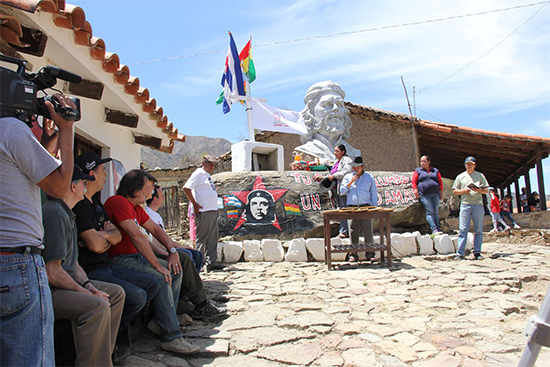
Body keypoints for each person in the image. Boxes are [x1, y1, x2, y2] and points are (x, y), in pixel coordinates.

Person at [0, 95, 76, 366]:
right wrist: (67, 129)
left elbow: (21, 174)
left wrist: (45, 142)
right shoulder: (10, 129)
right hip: (15, 263)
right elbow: (58, 187)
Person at [103, 170, 200, 355]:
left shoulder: (136, 207)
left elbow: (155, 229)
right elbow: (137, 236)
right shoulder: (118, 202)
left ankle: (160, 321)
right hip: (120, 260)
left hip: (135, 257)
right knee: (162, 277)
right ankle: (171, 337)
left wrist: (172, 251)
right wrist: (157, 265)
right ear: (135, 191)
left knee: (175, 270)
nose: (151, 192)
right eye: (147, 188)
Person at [42, 165, 125, 366]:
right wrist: (88, 293)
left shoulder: (68, 214)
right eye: (82, 182)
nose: (85, 186)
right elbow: (52, 271)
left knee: (115, 293)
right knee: (97, 305)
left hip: (67, 284)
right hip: (51, 290)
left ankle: (103, 355)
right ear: (72, 187)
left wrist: (89, 286)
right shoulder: (55, 214)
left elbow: (73, 265)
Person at [73, 152, 159, 334]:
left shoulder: (97, 204)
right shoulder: (80, 206)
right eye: (103, 170)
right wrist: (106, 236)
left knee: (152, 283)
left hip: (106, 266)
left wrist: (100, 235)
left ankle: (116, 331)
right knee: (137, 296)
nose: (106, 175)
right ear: (92, 174)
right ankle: (111, 336)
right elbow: (97, 246)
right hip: (90, 271)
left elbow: (116, 236)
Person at [293, 81, 361, 161]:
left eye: (339, 104)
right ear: (311, 112)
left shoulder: (353, 153)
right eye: (328, 104)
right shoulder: (304, 151)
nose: (336, 108)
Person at [146, 184, 204, 272]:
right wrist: (172, 249)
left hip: (166, 246)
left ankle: (194, 280)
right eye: (162, 196)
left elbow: (165, 237)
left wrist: (180, 245)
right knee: (187, 255)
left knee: (198, 255)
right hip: (159, 249)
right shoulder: (147, 214)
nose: (164, 198)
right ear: (155, 199)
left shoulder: (157, 216)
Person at [183, 155, 224, 271]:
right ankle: (198, 262)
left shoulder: (206, 175)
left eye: (213, 164)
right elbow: (186, 188)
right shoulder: (199, 173)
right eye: (210, 164)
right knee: (202, 238)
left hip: (212, 209)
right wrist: (195, 204)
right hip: (204, 210)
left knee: (212, 237)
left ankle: (212, 261)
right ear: (203, 163)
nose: (212, 166)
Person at [340, 156, 378, 262]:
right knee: (353, 230)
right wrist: (350, 182)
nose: (355, 169)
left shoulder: (369, 177)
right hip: (352, 207)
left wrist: (374, 208)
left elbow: (373, 194)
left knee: (368, 230)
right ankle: (353, 254)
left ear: (362, 167)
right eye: (353, 167)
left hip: (365, 206)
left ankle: (370, 254)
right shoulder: (348, 177)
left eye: (357, 167)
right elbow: (341, 191)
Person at [452, 156, 489, 260]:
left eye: (471, 164)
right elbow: (455, 191)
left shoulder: (480, 176)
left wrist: (478, 190)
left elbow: (486, 190)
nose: (469, 165)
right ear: (465, 165)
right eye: (468, 164)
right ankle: (460, 253)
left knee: (478, 230)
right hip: (465, 204)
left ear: (475, 165)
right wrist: (464, 191)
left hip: (478, 204)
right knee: (463, 229)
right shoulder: (460, 176)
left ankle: (477, 252)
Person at [316, 144, 353, 238]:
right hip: (336, 189)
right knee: (340, 209)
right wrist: (323, 177)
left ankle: (345, 232)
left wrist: (334, 176)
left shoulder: (347, 160)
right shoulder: (337, 161)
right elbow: (331, 174)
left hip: (344, 189)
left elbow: (346, 172)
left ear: (343, 152)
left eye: (337, 151)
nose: (335, 153)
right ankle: (343, 230)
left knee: (344, 210)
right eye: (335, 151)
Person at [412, 155, 444, 235]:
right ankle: (434, 229)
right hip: (425, 194)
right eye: (421, 161)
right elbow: (414, 181)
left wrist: (441, 192)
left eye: (424, 161)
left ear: (429, 162)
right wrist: (415, 190)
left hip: (435, 193)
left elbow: (440, 181)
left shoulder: (435, 171)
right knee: (430, 212)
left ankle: (438, 228)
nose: (422, 163)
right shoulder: (418, 171)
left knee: (435, 212)